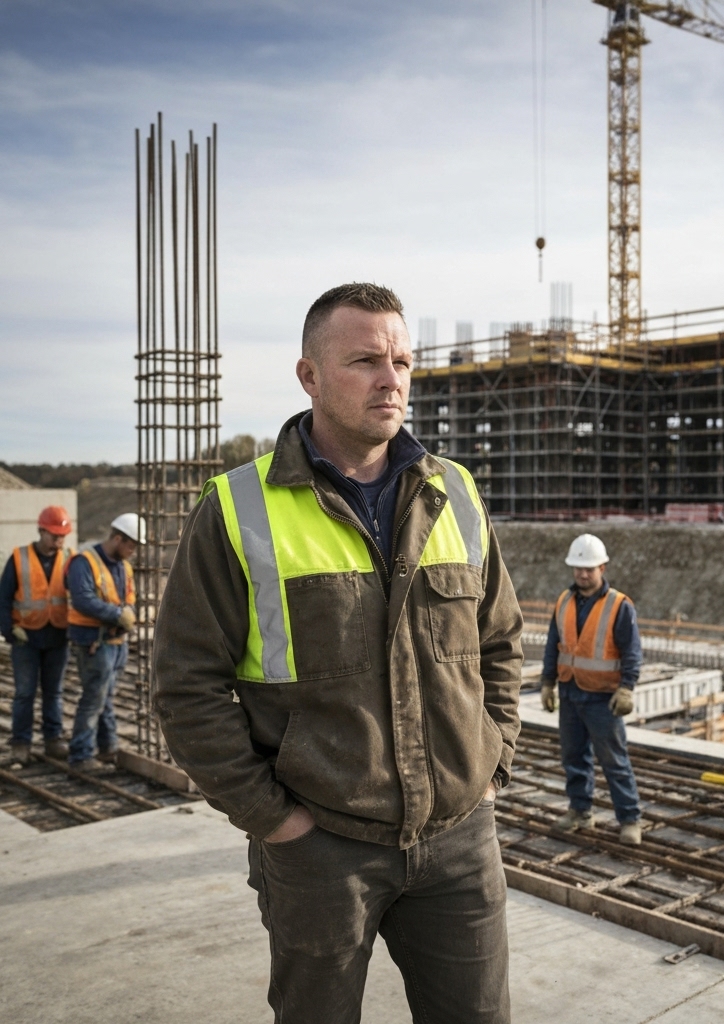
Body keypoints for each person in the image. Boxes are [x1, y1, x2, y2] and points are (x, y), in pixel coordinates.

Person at [153, 282, 523, 1024]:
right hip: (322, 848)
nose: (393, 380)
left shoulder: (455, 491)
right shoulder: (237, 508)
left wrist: (492, 764)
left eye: (403, 361)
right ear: (310, 376)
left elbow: (500, 642)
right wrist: (274, 819)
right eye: (365, 361)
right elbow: (186, 686)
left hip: (457, 841)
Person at [540, 533, 644, 845]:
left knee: (614, 760)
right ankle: (580, 811)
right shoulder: (564, 601)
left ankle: (629, 818)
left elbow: (632, 652)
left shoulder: (619, 606)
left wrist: (627, 688)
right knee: (574, 757)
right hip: (571, 692)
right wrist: (547, 683)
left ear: (603, 567)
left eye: (589, 569)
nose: (583, 574)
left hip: (602, 698)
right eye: (578, 568)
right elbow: (552, 646)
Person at [65, 513, 142, 769]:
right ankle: (81, 755)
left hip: (116, 643)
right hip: (93, 642)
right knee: (93, 698)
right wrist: (119, 614)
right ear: (117, 538)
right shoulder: (84, 562)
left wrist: (128, 609)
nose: (132, 552)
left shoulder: (124, 566)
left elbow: (129, 595)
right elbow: (83, 599)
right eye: (131, 545)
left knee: (106, 696)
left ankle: (107, 748)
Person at [0, 505, 75, 762]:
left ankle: (53, 740)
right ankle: (20, 744)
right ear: (41, 530)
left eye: (62, 536)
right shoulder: (19, 558)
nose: (59, 540)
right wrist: (9, 631)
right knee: (24, 693)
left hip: (58, 637)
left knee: (54, 693)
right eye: (54, 535)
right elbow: (4, 599)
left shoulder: (69, 558)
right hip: (26, 639)